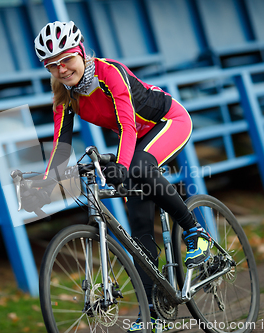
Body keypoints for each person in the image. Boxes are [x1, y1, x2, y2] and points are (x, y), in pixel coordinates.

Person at [22, 21, 212, 331]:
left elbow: (127, 126)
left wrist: (122, 167)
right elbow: (61, 146)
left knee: (137, 167)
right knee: (138, 229)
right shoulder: (64, 95)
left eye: (66, 59)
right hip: (135, 139)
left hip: (168, 121)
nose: (62, 69)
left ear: (81, 53)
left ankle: (195, 233)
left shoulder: (110, 73)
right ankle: (155, 313)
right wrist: (45, 183)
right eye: (52, 65)